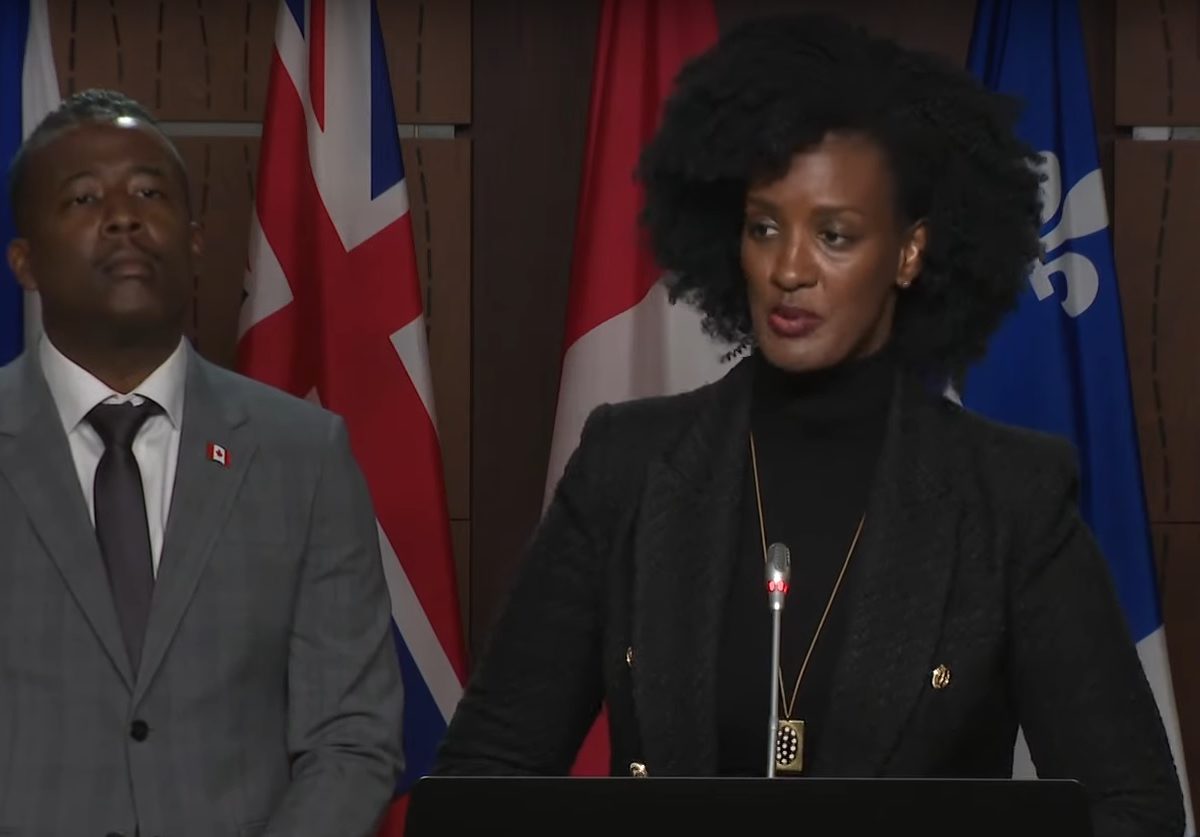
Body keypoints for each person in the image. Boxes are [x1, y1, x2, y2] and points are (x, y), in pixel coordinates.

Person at [433, 13, 1184, 837]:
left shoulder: (1009, 496)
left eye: (834, 235)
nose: (790, 269)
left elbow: (1136, 807)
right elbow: (482, 781)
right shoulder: (628, 465)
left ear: (908, 253)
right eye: (764, 227)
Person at [0, 89, 403, 837]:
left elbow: (350, 736)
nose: (123, 215)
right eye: (84, 198)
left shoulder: (303, 453)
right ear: (24, 261)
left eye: (149, 193)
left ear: (192, 239)